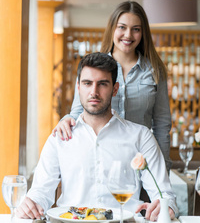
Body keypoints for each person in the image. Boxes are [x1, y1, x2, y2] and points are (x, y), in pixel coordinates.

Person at [16, 53, 178, 221]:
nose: (94, 92)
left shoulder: (141, 136)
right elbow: (40, 193)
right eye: (87, 83)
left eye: (102, 84)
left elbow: (164, 194)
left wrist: (165, 206)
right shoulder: (59, 137)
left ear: (115, 89)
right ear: (78, 87)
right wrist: (30, 204)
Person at [52, 1, 172, 172]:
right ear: (112, 29)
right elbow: (78, 112)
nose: (128, 35)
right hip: (102, 162)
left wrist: (163, 168)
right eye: (122, 27)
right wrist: (65, 120)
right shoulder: (94, 68)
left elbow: (161, 124)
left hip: (141, 165)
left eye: (136, 29)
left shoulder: (155, 70)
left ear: (143, 33)